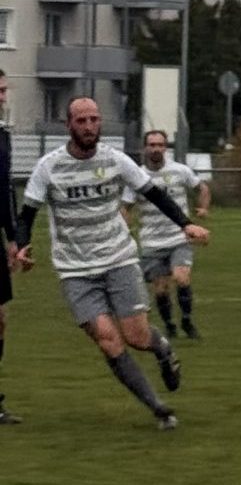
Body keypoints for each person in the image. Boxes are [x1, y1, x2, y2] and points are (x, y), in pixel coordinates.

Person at [15, 97, 207, 429]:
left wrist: (185, 223)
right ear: (69, 125)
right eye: (82, 121)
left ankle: (162, 350)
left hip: (118, 259)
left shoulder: (116, 160)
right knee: (107, 338)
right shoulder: (49, 166)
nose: (89, 127)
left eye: (94, 119)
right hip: (75, 270)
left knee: (136, 336)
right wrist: (21, 245)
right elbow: (27, 212)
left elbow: (154, 194)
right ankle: (158, 407)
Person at [123, 130, 211, 339]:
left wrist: (203, 208)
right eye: (152, 145)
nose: (156, 149)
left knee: (181, 278)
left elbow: (202, 188)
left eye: (160, 145)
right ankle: (170, 325)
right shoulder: (137, 177)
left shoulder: (180, 171)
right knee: (161, 290)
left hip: (179, 238)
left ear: (166, 148)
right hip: (152, 242)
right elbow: (125, 207)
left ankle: (187, 321)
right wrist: (125, 227)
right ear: (145, 147)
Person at [0, 70, 17, 424]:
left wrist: (13, 238)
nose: (3, 95)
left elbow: (5, 191)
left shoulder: (3, 136)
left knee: (0, 318)